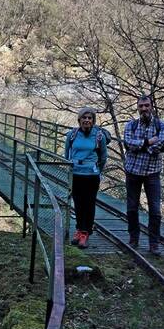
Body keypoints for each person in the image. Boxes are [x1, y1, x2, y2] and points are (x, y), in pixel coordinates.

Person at [123, 95, 164, 255]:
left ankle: (154, 243)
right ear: (137, 107)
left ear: (151, 106)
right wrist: (149, 142)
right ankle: (133, 238)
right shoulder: (131, 125)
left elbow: (162, 145)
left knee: (155, 209)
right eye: (141, 106)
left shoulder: (161, 125)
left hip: (152, 173)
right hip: (133, 171)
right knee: (132, 207)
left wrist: (140, 145)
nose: (144, 109)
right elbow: (129, 144)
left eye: (146, 105)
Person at [65, 107, 108, 249]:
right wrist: (71, 168)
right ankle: (78, 230)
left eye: (90, 118)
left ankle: (85, 233)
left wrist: (97, 170)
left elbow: (103, 157)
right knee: (78, 203)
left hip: (91, 175)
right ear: (79, 120)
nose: (87, 120)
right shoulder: (72, 135)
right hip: (76, 173)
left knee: (89, 204)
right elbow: (67, 155)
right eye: (84, 118)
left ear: (93, 121)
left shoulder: (99, 136)